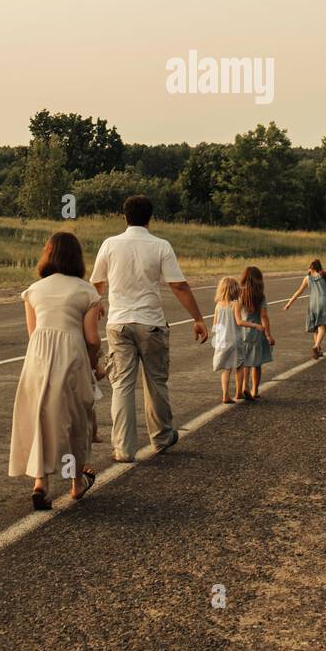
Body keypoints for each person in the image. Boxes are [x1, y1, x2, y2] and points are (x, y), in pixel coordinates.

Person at [90, 195, 208, 462]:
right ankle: (162, 436)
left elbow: (96, 283)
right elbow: (178, 285)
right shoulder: (160, 246)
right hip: (151, 323)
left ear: (124, 216)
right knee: (156, 382)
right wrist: (198, 318)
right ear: (150, 218)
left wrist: (96, 305)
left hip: (119, 323)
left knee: (121, 385)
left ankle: (123, 448)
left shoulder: (110, 244)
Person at [8, 231, 103, 510]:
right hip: (71, 354)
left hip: (38, 356)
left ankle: (40, 482)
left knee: (39, 414)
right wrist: (94, 362)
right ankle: (76, 482)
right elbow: (93, 339)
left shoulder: (34, 290)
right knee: (74, 418)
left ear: (48, 254)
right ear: (77, 257)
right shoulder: (87, 291)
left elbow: (33, 332)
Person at [283, 258, 326, 357]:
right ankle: (316, 346)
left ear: (311, 268)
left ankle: (318, 350)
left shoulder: (307, 278)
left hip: (313, 304)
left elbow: (299, 291)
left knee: (316, 328)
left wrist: (289, 303)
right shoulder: (323, 274)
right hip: (323, 302)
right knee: (322, 326)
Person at [210, 277, 261, 404]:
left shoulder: (218, 305)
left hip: (222, 340)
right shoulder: (235, 304)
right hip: (235, 339)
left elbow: (215, 325)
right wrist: (255, 325)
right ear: (234, 290)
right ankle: (239, 392)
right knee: (239, 366)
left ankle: (225, 395)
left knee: (226, 369)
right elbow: (239, 321)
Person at [238, 265, 275, 400]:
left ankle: (244, 386)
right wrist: (268, 335)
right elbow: (264, 316)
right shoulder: (261, 296)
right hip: (257, 333)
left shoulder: (240, 294)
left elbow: (235, 314)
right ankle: (254, 390)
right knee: (257, 363)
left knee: (245, 362)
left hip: (242, 332)